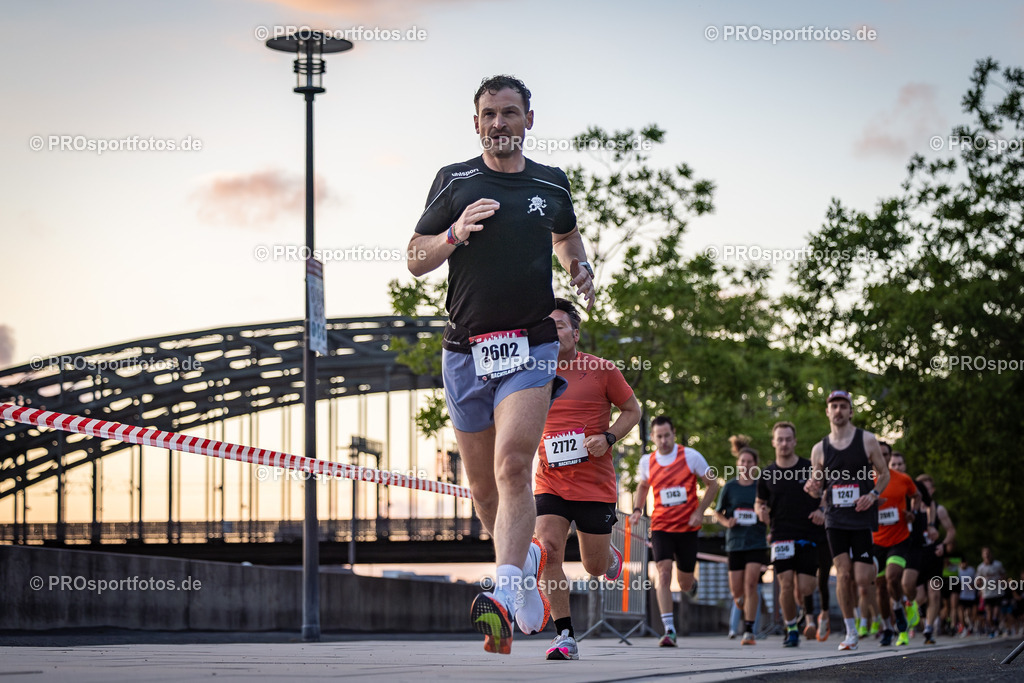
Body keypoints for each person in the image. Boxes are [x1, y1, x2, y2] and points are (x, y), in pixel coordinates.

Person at [407, 74, 594, 655]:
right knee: (485, 491)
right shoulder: (454, 180)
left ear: (528, 121)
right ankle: (529, 564)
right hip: (465, 351)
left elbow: (567, 240)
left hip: (530, 344)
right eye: (489, 114)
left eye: (510, 113)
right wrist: (454, 234)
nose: (499, 123)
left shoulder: (550, 183)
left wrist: (579, 268)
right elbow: (415, 258)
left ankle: (507, 592)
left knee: (515, 466)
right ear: (476, 121)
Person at [530, 298, 641, 660]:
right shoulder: (532, 371)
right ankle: (565, 636)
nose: (553, 330)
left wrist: (608, 437)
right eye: (547, 325)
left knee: (594, 568)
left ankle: (608, 557)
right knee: (548, 550)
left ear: (575, 333)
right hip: (550, 481)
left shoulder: (602, 370)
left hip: (594, 484)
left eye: (559, 325)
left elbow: (633, 410)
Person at [804, 390, 889, 652]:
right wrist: (812, 489)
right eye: (834, 406)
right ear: (827, 412)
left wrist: (873, 495)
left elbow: (884, 474)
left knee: (862, 579)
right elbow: (817, 486)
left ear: (850, 411)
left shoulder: (867, 440)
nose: (838, 410)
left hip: (861, 516)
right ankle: (850, 631)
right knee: (842, 573)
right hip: (836, 518)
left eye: (843, 406)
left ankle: (870, 563)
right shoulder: (820, 448)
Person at [630, 416, 719, 647]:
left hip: (688, 527)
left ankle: (691, 586)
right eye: (658, 436)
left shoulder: (691, 456)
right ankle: (669, 629)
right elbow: (642, 485)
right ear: (652, 437)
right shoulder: (647, 461)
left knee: (685, 582)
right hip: (661, 526)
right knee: (663, 571)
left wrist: (700, 511)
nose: (663, 440)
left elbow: (714, 483)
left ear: (674, 433)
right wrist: (638, 509)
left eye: (667, 435)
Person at [755, 421, 829, 648]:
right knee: (785, 584)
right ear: (774, 442)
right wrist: (760, 511)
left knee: (806, 588)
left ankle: (804, 613)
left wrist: (822, 509)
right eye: (780, 439)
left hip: (808, 533)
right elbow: (759, 501)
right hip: (781, 534)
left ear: (795, 442)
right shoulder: (767, 473)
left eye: (788, 439)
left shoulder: (810, 468)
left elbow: (827, 491)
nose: (784, 443)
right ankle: (792, 629)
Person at [714, 447, 768, 646]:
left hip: (756, 541)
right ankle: (742, 606)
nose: (746, 465)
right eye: (742, 461)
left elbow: (769, 511)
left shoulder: (762, 486)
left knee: (751, 584)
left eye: (750, 462)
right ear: (738, 464)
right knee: (737, 591)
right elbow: (718, 512)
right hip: (735, 543)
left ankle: (748, 630)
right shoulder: (729, 487)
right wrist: (728, 522)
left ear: (755, 465)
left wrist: (764, 514)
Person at [870, 447, 921, 646]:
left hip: (899, 539)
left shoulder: (903, 479)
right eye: (878, 454)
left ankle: (899, 608)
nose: (882, 457)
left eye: (885, 454)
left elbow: (917, 497)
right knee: (881, 588)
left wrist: (912, 513)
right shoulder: (867, 481)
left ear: (889, 457)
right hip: (875, 542)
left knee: (893, 576)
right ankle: (887, 627)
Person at [914, 474, 956, 644]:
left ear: (932, 490)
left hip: (934, 555)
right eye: (921, 488)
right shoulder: (912, 508)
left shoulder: (939, 509)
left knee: (935, 594)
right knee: (920, 597)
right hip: (916, 555)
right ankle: (922, 612)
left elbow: (951, 531)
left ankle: (929, 629)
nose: (924, 491)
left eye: (927, 488)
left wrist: (943, 545)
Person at [977, 546, 1006, 637]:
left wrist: (1001, 580)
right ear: (982, 555)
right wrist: (979, 583)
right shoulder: (980, 567)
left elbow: (1004, 574)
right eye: (985, 553)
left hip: (997, 592)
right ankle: (993, 628)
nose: (987, 555)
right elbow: (978, 580)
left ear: (991, 554)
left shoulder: (998, 564)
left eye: (988, 553)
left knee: (996, 613)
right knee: (989, 616)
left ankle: (997, 624)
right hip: (987, 593)